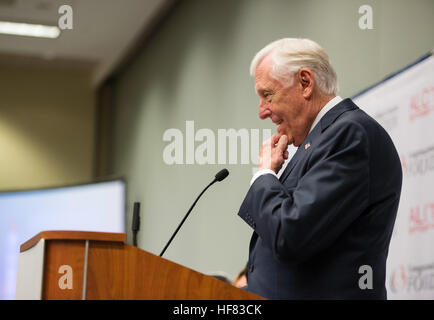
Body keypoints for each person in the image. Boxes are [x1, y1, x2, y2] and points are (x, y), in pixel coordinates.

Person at [237, 38, 402, 299]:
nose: (261, 112)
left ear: (305, 83)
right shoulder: (320, 142)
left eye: (267, 95)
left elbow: (290, 236)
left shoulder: (349, 134)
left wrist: (264, 175)